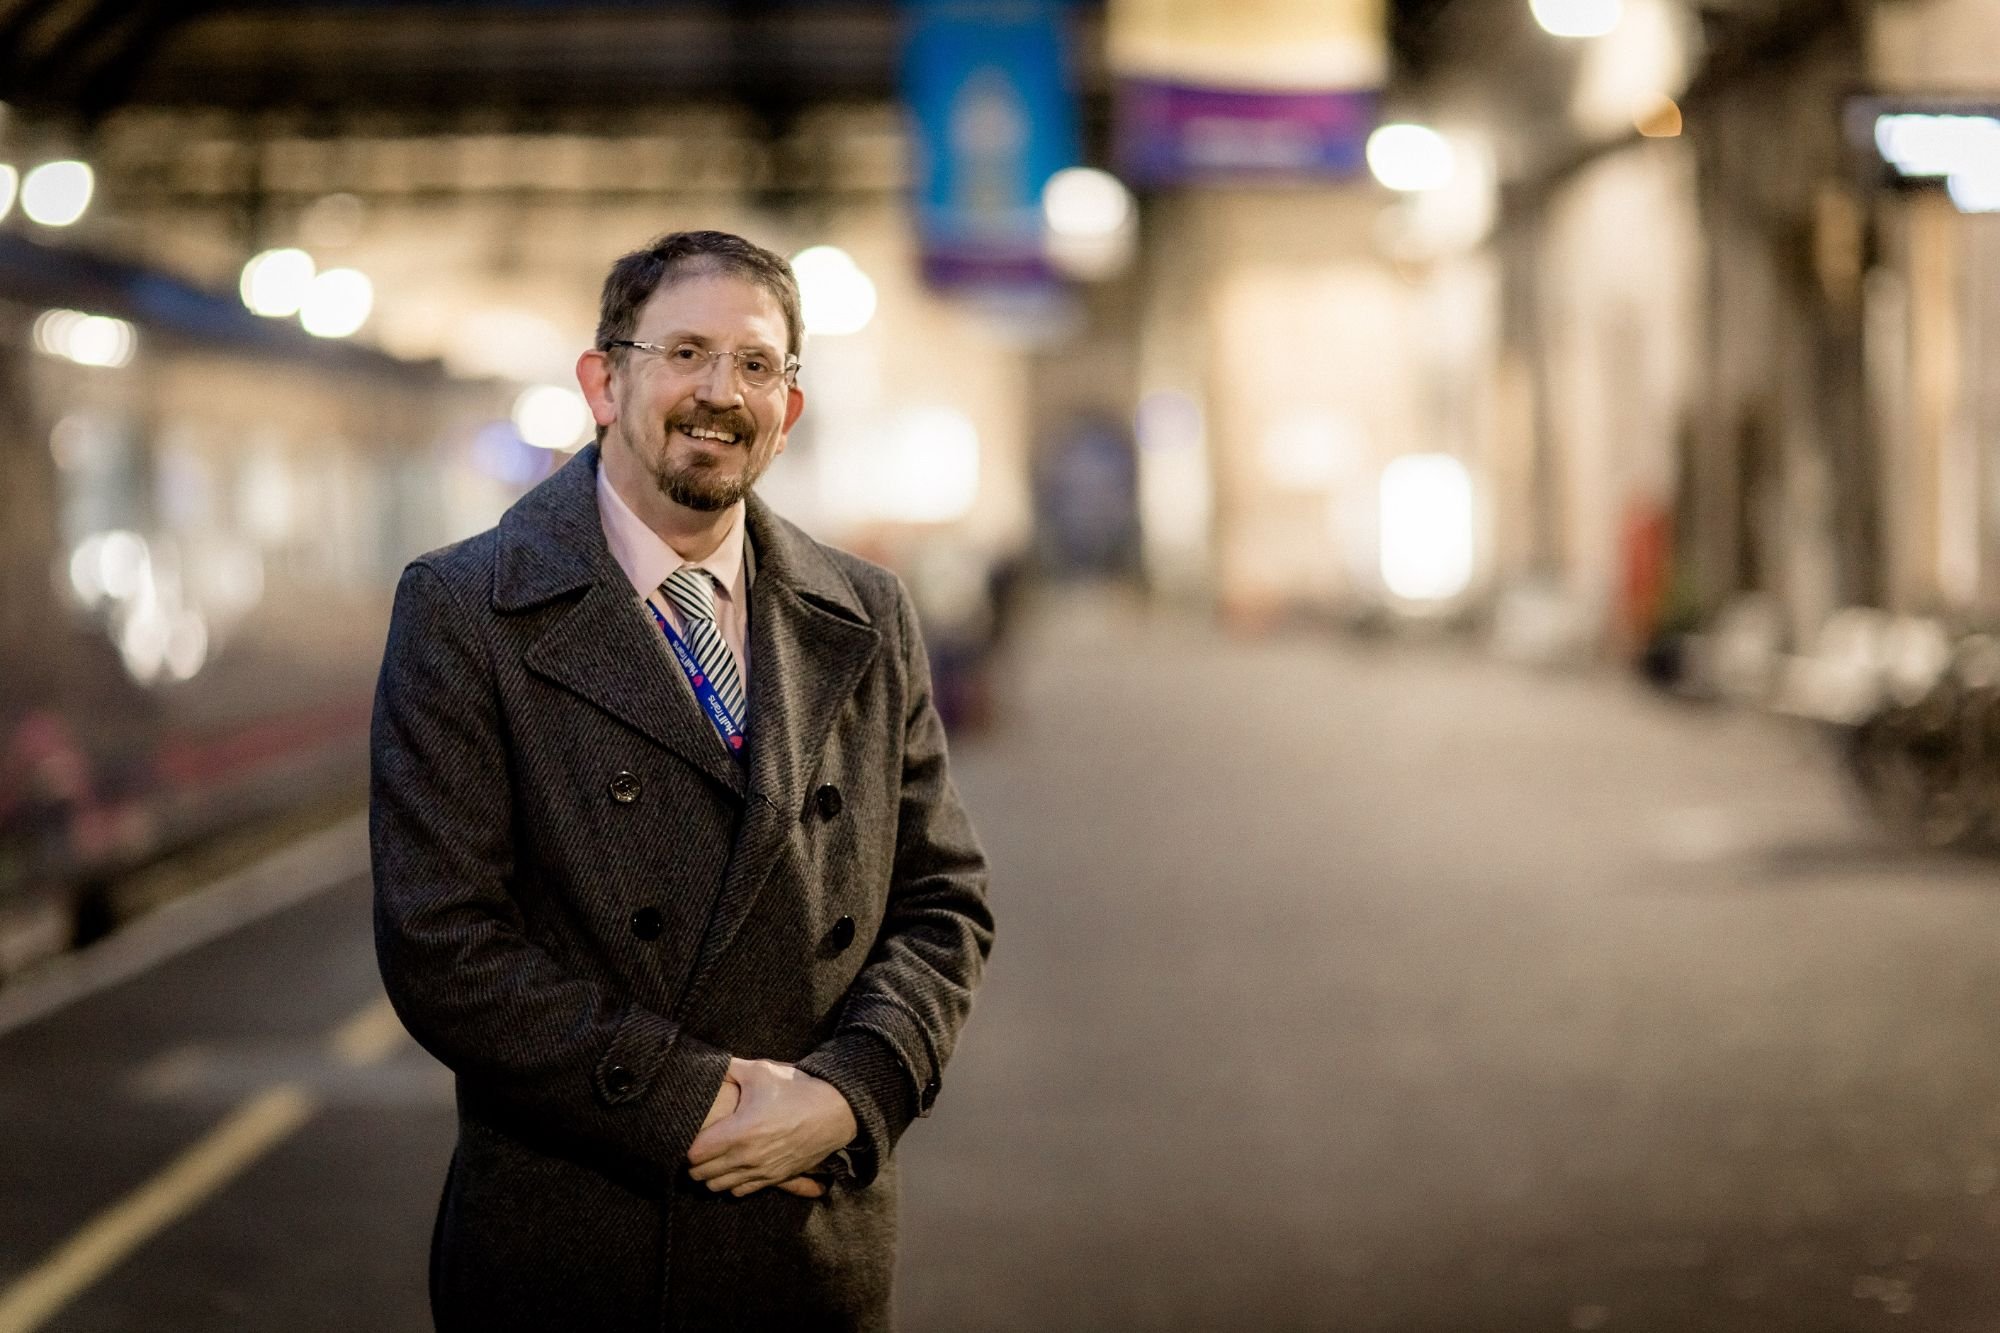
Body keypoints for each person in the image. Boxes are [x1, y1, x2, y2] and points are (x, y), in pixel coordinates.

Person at [370, 229, 995, 1331]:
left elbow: (942, 901)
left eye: (756, 364)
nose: (721, 393)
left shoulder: (866, 613)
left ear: (788, 409)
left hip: (810, 1243)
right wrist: (691, 1102)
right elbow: (441, 942)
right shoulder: (467, 610)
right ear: (603, 381)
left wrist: (852, 1093)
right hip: (574, 1245)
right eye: (686, 353)